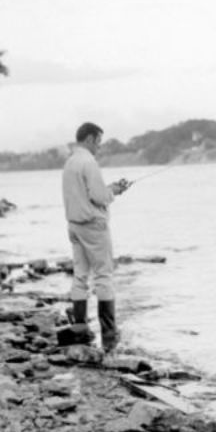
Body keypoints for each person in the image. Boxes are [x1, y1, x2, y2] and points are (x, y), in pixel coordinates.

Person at [62, 121, 131, 351]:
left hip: (74, 225)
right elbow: (99, 197)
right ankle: (109, 335)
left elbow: (86, 193)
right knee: (104, 275)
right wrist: (115, 191)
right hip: (92, 226)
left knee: (80, 275)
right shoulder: (89, 162)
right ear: (90, 139)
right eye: (98, 142)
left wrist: (108, 189)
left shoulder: (70, 162)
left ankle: (80, 330)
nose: (99, 147)